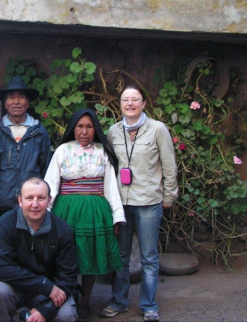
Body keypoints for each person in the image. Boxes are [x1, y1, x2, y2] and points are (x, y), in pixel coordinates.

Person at [100, 85, 178, 322]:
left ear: (144, 103)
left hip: (148, 202)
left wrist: (169, 195)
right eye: (125, 100)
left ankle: (148, 305)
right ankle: (119, 301)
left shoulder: (158, 130)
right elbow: (109, 166)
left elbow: (169, 164)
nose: (130, 103)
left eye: (135, 99)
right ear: (120, 104)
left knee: (149, 257)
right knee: (121, 256)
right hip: (122, 203)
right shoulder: (114, 131)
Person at [44, 108, 125, 321]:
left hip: (95, 212)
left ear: (95, 129)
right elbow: (51, 184)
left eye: (89, 126)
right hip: (65, 211)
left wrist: (117, 217)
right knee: (66, 255)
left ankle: (85, 300)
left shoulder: (102, 152)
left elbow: (110, 187)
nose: (84, 131)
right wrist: (46, 213)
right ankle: (67, 297)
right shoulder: (62, 150)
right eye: (79, 126)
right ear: (73, 128)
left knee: (89, 256)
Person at [0, 177, 79, 322]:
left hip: (49, 291)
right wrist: (43, 284)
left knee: (66, 314)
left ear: (49, 200)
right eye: (29, 198)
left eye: (41, 198)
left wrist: (45, 310)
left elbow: (68, 277)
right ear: (20, 200)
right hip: (14, 286)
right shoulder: (6, 223)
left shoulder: (62, 229)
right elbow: (1, 268)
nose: (35, 204)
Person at [0, 76, 51, 241]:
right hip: (1, 207)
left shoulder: (39, 132)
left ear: (28, 103)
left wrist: (44, 202)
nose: (16, 101)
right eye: (11, 97)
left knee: (30, 253)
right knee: (1, 253)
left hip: (32, 206)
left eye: (21, 97)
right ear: (5, 103)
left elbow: (47, 169)